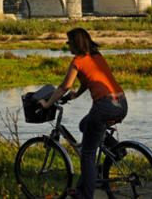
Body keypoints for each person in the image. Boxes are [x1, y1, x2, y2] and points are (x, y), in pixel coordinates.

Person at [39, 28, 128, 199]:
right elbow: (91, 79)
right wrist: (77, 94)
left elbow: (64, 86)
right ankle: (116, 149)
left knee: (87, 153)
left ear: (75, 43)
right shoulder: (97, 56)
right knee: (84, 125)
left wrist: (47, 103)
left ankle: (85, 195)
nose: (68, 46)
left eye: (69, 42)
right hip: (121, 103)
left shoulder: (78, 61)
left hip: (104, 106)